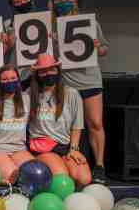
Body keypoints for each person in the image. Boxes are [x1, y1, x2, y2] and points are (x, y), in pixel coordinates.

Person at [49, 0, 109, 183]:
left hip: (90, 79)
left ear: (74, 1)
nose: (64, 2)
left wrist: (98, 46)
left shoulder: (89, 24)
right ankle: (70, 162)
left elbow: (104, 49)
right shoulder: (50, 27)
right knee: (69, 127)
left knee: (95, 123)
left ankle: (99, 166)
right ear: (54, 3)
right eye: (60, 0)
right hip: (66, 83)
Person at [27, 54, 92, 186]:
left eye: (52, 69)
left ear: (58, 70)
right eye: (43, 71)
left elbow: (76, 125)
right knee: (62, 179)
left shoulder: (72, 93)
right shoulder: (29, 94)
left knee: (83, 178)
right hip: (43, 146)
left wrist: (74, 149)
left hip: (65, 146)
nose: (48, 73)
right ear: (37, 74)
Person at [0, 0, 36, 88]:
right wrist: (8, 45)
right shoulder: (6, 25)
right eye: (18, 2)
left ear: (31, 0)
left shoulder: (43, 21)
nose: (23, 3)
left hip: (37, 73)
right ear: (12, 5)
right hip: (15, 76)